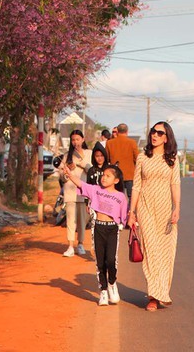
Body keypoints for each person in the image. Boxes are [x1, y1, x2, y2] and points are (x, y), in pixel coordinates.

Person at [127, 122, 181, 311]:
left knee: (165, 252)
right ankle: (153, 296)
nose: (155, 135)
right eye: (153, 132)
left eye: (159, 133)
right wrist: (132, 212)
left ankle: (161, 292)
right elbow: (136, 186)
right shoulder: (143, 157)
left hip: (165, 210)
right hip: (146, 207)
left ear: (166, 138)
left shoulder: (172, 159)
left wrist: (177, 208)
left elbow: (175, 184)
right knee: (150, 250)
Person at [63, 161, 128, 306]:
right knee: (100, 262)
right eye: (103, 175)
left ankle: (112, 283)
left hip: (112, 229)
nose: (104, 178)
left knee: (111, 260)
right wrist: (70, 174)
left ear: (116, 180)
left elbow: (124, 216)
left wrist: (128, 222)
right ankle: (103, 291)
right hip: (98, 228)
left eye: (108, 176)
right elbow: (80, 184)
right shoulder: (95, 190)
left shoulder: (120, 197)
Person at [59, 129, 92, 257]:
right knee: (70, 220)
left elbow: (92, 170)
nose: (75, 142)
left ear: (83, 140)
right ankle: (70, 246)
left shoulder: (89, 154)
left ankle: (81, 244)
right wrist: (66, 172)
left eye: (78, 139)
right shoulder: (66, 156)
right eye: (73, 140)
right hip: (70, 192)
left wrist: (80, 162)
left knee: (82, 221)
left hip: (83, 192)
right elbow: (62, 177)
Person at [106, 122, 139, 198]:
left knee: (117, 196)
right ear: (127, 132)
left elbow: (107, 158)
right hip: (130, 175)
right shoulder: (132, 143)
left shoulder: (109, 143)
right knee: (131, 197)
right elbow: (137, 158)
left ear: (117, 131)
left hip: (116, 174)